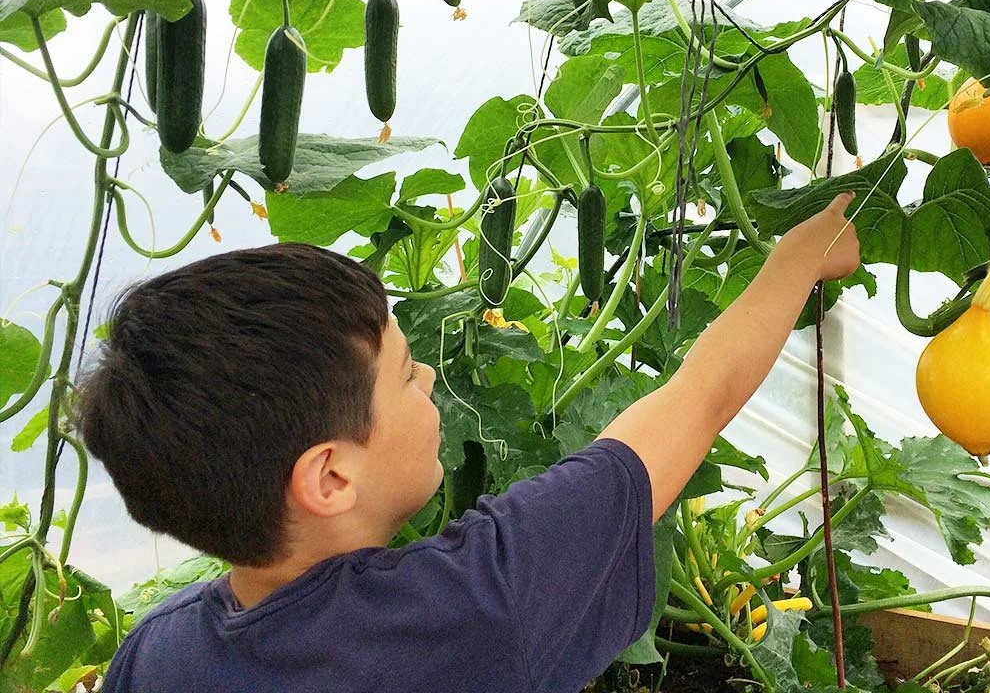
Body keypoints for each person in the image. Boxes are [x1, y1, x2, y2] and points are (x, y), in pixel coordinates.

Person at [79, 191, 859, 692]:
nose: (427, 384)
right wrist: (796, 261)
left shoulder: (155, 659)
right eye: (406, 373)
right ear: (329, 477)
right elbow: (696, 401)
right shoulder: (477, 605)